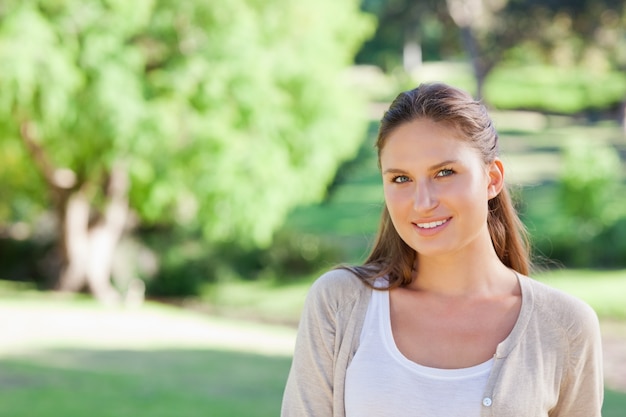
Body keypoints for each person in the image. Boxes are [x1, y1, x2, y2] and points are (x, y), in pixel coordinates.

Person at [281, 82, 604, 417]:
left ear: (492, 179)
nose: (422, 203)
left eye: (444, 172)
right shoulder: (340, 303)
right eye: (401, 179)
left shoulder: (565, 327)